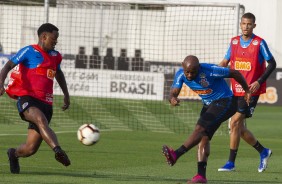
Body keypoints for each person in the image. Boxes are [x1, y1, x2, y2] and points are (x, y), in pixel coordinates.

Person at [162, 55, 251, 184]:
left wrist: (247, 90)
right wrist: (173, 99)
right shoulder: (181, 74)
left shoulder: (211, 70)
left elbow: (234, 73)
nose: (190, 75)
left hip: (225, 101)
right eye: (188, 72)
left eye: (193, 72)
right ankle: (201, 176)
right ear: (183, 66)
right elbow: (173, 92)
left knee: (199, 129)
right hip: (209, 105)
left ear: (199, 68)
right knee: (203, 137)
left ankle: (176, 154)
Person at [0, 23, 71, 174]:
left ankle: (13, 153)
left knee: (30, 149)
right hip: (28, 99)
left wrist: (66, 94)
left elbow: (59, 74)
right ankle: (58, 151)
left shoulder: (55, 56)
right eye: (53, 38)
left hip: (46, 103)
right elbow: (7, 67)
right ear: (44, 37)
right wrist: (1, 83)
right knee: (40, 120)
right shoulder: (28, 51)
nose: (55, 42)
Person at [218, 12, 276, 173]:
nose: (246, 26)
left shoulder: (259, 43)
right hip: (234, 90)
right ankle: (263, 151)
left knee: (235, 122)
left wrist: (259, 81)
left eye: (249, 24)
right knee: (238, 127)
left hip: (250, 91)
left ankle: (231, 163)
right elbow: (225, 61)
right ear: (240, 24)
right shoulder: (234, 42)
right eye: (244, 24)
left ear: (254, 26)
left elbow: (272, 63)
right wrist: (214, 72)